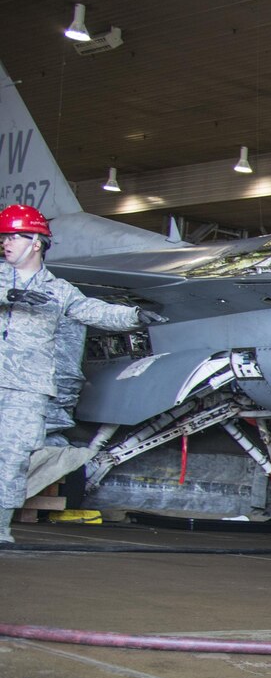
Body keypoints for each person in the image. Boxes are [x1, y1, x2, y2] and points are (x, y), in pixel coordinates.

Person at [0, 204, 154, 543]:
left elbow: (92, 310)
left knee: (14, 456)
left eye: (15, 236)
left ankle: (0, 526)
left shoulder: (59, 291)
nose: (7, 243)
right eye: (5, 236)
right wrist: (8, 294)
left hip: (27, 387)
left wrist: (134, 316)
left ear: (37, 242)